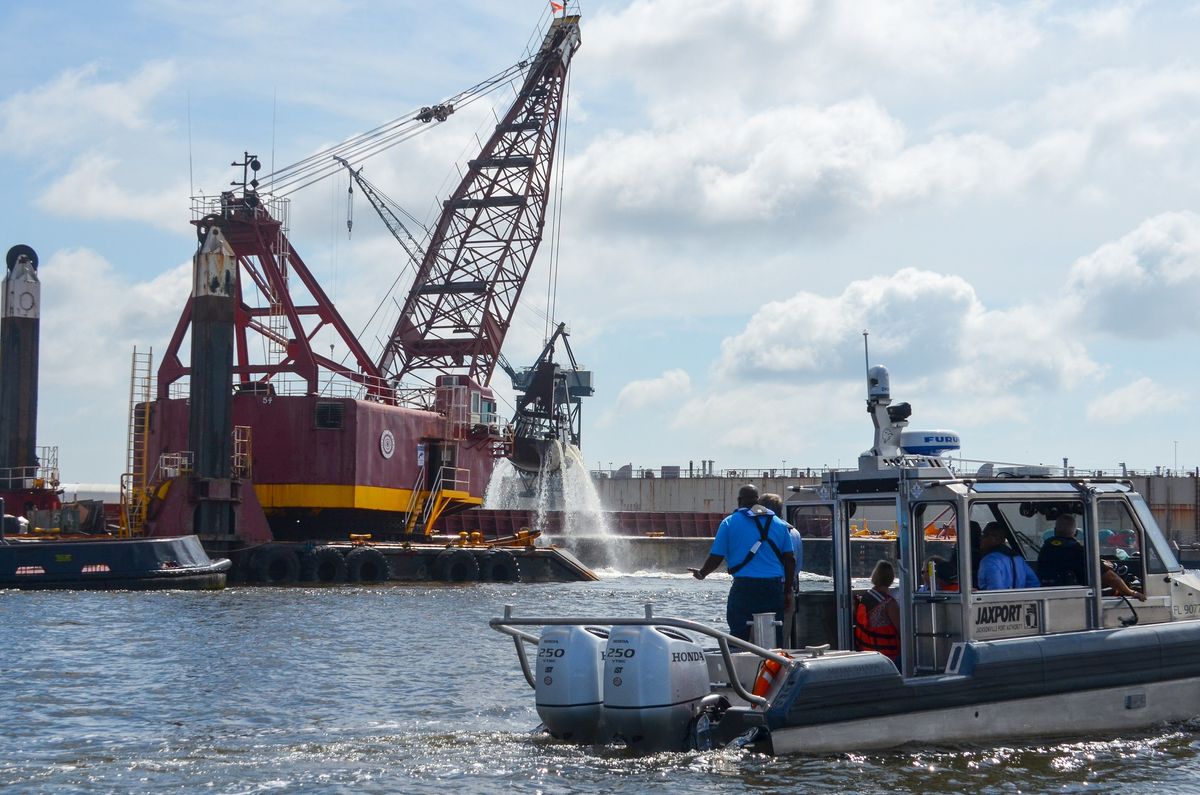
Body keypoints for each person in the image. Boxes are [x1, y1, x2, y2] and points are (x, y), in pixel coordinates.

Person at [691, 484, 796, 642]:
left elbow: (716, 557)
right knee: (774, 634)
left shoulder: (729, 523)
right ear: (757, 500)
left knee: (739, 635)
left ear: (739, 500)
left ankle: (739, 663)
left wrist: (702, 573)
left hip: (744, 587)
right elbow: (790, 560)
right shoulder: (778, 523)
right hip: (773, 588)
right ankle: (775, 664)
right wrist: (787, 591)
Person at [1038, 514, 1147, 600]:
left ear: (1055, 531)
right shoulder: (1077, 550)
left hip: (1048, 593)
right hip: (1076, 598)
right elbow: (1110, 578)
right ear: (1075, 533)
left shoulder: (1045, 548)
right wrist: (1131, 592)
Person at [759, 492, 803, 646]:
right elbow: (797, 565)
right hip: (788, 589)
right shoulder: (794, 533)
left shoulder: (762, 532)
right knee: (783, 637)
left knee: (758, 637)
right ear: (781, 510)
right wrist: (788, 590)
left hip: (765, 588)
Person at [854, 560, 901, 665]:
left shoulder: (865, 597)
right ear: (891, 578)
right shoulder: (888, 603)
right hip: (887, 657)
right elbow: (902, 630)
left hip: (866, 652)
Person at [976, 522, 1040, 589]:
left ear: (994, 538)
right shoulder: (1018, 559)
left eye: (984, 534)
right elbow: (1034, 584)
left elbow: (995, 591)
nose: (980, 538)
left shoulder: (989, 561)